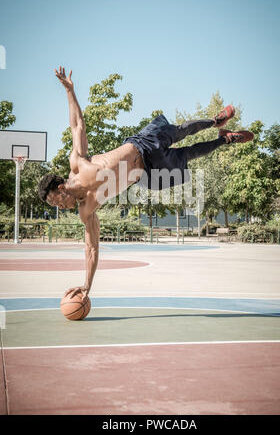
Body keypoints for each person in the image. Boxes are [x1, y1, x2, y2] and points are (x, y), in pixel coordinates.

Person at [38, 66, 254, 299]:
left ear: (61, 187)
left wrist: (70, 91)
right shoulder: (86, 210)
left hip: (143, 143)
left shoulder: (78, 163)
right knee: (188, 155)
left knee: (182, 130)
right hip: (146, 173)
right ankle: (226, 140)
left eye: (56, 202)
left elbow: (77, 125)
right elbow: (91, 248)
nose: (60, 207)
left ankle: (215, 121)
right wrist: (87, 285)